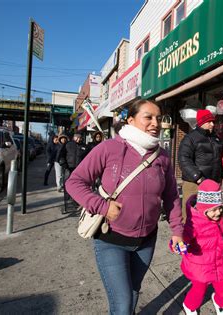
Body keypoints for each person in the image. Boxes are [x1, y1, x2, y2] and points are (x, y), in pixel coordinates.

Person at [65, 99, 184, 315]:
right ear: (130, 120)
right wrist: (101, 206)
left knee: (134, 291)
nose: (155, 123)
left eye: (159, 118)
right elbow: (74, 182)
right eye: (148, 117)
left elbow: (171, 196)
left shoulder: (162, 157)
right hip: (111, 239)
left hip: (146, 240)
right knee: (122, 304)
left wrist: (177, 231)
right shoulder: (109, 148)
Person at [181, 179, 223, 315]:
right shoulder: (194, 223)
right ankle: (189, 306)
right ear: (203, 209)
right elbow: (183, 237)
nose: (218, 213)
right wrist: (180, 244)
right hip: (201, 266)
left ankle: (217, 300)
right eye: (214, 210)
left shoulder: (220, 220)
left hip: (219, 263)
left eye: (220, 208)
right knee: (198, 291)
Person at [178, 109, 223, 215]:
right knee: (191, 215)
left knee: (211, 213)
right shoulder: (190, 138)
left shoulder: (215, 138)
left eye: (213, 121)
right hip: (194, 183)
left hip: (213, 183)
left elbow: (218, 159)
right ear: (201, 123)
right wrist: (198, 178)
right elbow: (184, 159)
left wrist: (220, 177)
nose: (212, 124)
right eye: (209, 122)